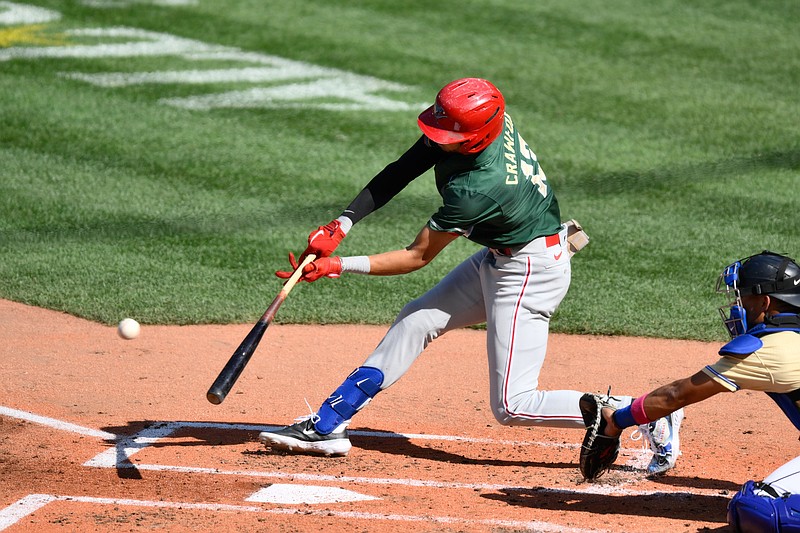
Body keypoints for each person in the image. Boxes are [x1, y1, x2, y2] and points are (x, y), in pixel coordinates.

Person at [258, 77, 676, 475]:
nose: (438, 139)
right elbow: (404, 167)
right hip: (504, 257)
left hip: (529, 272)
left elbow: (416, 256)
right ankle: (330, 424)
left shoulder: (478, 188)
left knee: (513, 405)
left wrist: (337, 265)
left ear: (474, 138)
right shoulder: (480, 122)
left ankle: (641, 412)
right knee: (418, 318)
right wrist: (342, 224)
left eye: (447, 136)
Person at [583, 250, 800, 530]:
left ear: (765, 302)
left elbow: (678, 394)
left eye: (743, 299)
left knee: (754, 510)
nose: (738, 307)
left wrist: (617, 420)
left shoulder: (768, 350)